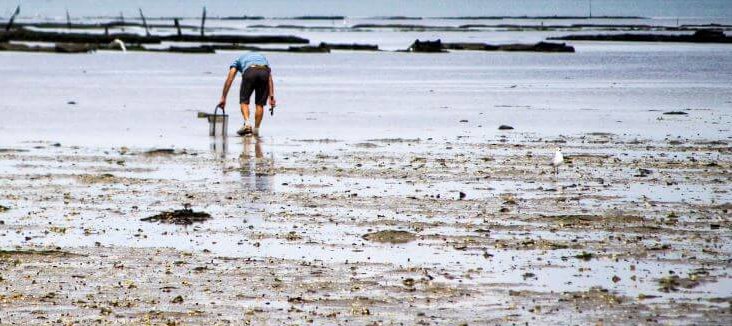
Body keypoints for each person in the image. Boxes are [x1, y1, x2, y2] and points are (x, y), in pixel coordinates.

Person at [217, 52, 276, 136]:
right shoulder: (262, 58)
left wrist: (223, 97)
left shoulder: (237, 61)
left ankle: (247, 124)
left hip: (250, 71)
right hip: (264, 72)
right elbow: (269, 77)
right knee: (260, 104)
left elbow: (230, 79)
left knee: (244, 101)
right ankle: (256, 131)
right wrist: (271, 96)